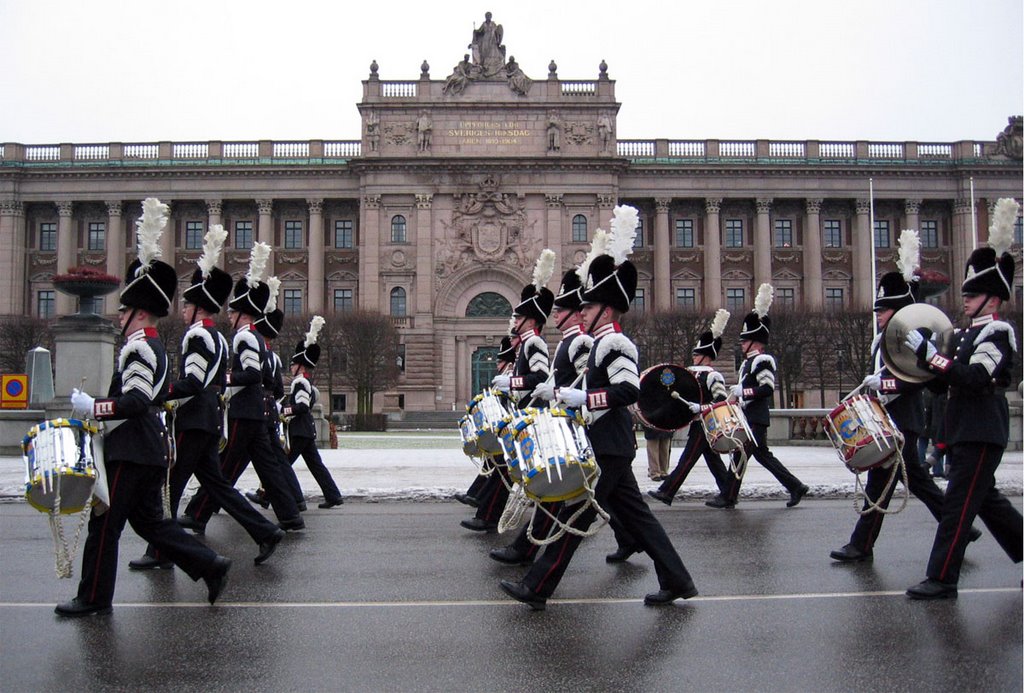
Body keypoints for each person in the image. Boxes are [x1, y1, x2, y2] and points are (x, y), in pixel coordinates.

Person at [500, 205, 697, 610]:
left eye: (587, 309)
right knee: (637, 519)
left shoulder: (616, 343)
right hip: (607, 445)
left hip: (609, 446)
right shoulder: (601, 343)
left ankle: (537, 587)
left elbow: (629, 389)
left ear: (605, 309)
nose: (581, 314)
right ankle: (677, 579)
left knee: (575, 516)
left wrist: (585, 398)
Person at [58, 198, 230, 617]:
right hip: (147, 448)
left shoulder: (140, 348)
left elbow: (135, 402)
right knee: (151, 524)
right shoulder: (150, 345)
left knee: (105, 525)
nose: (118, 318)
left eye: (123, 311)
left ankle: (93, 598)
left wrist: (93, 406)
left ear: (139, 313)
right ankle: (210, 565)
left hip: (132, 450)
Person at [129, 226, 284, 572]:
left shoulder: (198, 335)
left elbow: (194, 381)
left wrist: (161, 393)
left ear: (197, 306)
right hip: (211, 418)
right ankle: (265, 530)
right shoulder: (215, 335)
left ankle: (161, 552)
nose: (182, 309)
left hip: (195, 419)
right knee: (218, 486)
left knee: (168, 486)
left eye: (186, 303)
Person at [830, 231, 979, 563]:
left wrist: (882, 386)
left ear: (897, 310)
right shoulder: (884, 339)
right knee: (915, 483)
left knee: (881, 483)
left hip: (902, 423)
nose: (879, 315)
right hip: (891, 423)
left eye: (884, 310)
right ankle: (959, 529)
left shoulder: (908, 338)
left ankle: (862, 545)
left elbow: (916, 380)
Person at [903, 198, 1023, 599]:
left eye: (973, 294)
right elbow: (945, 384)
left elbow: (974, 378)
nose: (965, 299)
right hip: (962, 428)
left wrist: (933, 357)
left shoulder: (998, 332)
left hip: (982, 427)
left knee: (957, 507)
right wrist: (923, 365)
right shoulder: (966, 334)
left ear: (992, 297)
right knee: (987, 503)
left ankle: (942, 578)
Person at [181, 243, 305, 534]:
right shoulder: (254, 338)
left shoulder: (244, 338)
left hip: (244, 410)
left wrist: (224, 379)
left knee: (222, 468)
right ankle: (289, 516)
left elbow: (251, 373)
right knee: (267, 469)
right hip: (256, 411)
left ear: (242, 314)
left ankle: (198, 514)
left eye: (233, 311)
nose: (229, 316)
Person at [489, 266, 592, 565]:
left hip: (583, 427)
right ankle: (526, 552)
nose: (556, 316)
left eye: (562, 311)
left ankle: (532, 565)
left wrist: (520, 384)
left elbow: (583, 383)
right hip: (566, 422)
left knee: (563, 494)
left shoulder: (572, 342)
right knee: (561, 495)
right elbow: (553, 379)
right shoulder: (567, 342)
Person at [461, 250, 555, 532]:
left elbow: (539, 377)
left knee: (507, 466)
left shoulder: (534, 343)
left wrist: (512, 383)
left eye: (519, 316)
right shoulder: (526, 343)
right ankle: (486, 513)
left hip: (532, 413)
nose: (514, 320)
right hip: (524, 412)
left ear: (531, 319)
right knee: (508, 466)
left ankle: (487, 516)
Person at [709, 283, 809, 509]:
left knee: (740, 456)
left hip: (755, 418)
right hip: (749, 417)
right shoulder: (749, 363)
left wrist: (742, 392)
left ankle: (728, 497)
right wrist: (733, 398)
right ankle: (795, 486)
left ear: (755, 341)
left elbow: (766, 389)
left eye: (745, 340)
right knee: (762, 456)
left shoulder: (763, 360)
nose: (742, 343)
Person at [648, 309, 734, 506]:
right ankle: (728, 494)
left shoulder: (713, 376)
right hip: (698, 423)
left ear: (706, 356)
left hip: (706, 424)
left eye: (697, 354)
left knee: (687, 459)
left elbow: (721, 402)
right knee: (713, 462)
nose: (694, 357)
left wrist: (701, 407)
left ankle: (667, 491)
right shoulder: (694, 374)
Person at [282, 316, 344, 509]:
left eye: (293, 364)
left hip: (299, 431)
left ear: (300, 365)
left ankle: (278, 497)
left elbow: (301, 407)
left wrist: (283, 410)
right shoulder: (306, 381)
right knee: (316, 466)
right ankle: (333, 496)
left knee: (281, 465)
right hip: (306, 431)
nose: (291, 367)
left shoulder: (299, 382)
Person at [453, 336, 516, 508]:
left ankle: (482, 502)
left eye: (500, 361)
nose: (496, 365)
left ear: (508, 363)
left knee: (500, 465)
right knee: (492, 461)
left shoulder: (510, 376)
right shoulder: (505, 377)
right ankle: (476, 495)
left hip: (510, 425)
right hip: (504, 426)